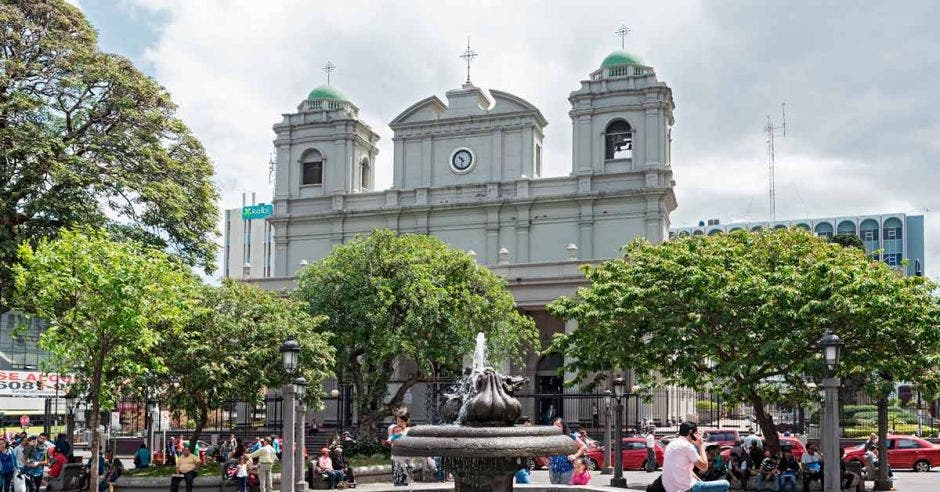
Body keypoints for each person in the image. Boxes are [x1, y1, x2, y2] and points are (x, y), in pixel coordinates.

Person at [661, 422, 729, 492]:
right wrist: (701, 445)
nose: (698, 436)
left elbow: (687, 470)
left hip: (670, 488)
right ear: (691, 432)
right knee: (726, 484)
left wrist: (700, 482)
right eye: (696, 433)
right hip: (686, 489)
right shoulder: (687, 446)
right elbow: (704, 467)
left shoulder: (671, 444)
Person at [547, 418, 585, 485]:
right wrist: (545, 460)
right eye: (554, 426)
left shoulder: (570, 436)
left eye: (558, 426)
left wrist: (575, 456)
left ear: (563, 427)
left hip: (567, 470)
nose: (556, 428)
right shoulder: (549, 438)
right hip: (553, 470)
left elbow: (583, 446)